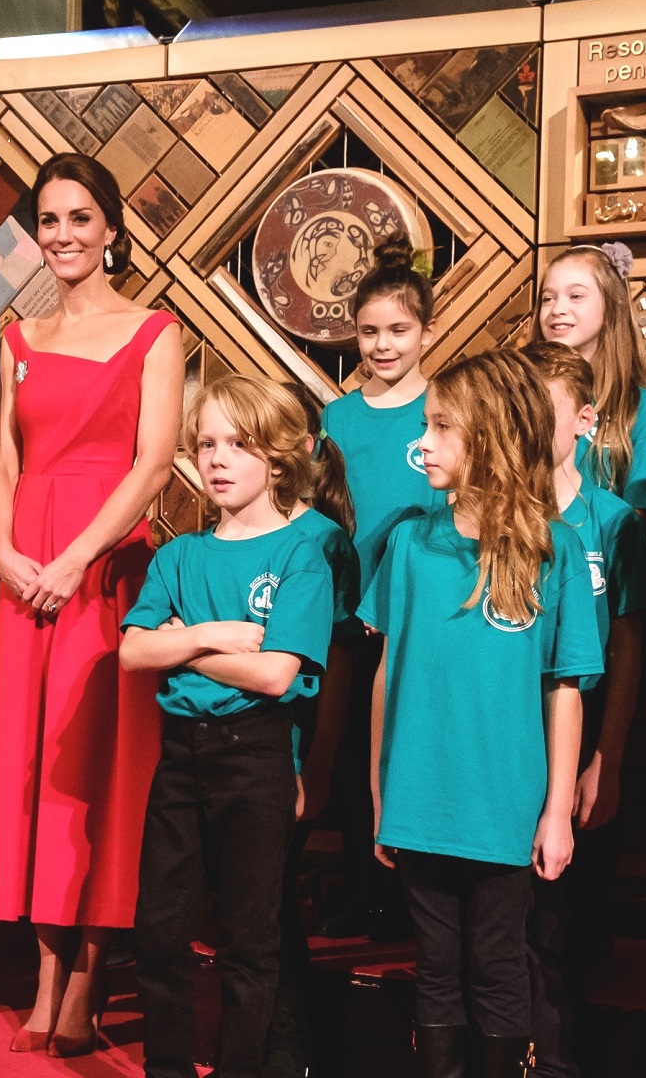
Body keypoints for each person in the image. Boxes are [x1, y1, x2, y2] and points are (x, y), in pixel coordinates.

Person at [0, 152, 184, 1057]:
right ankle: (42, 979)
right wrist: (3, 552)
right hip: (20, 578)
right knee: (33, 772)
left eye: (80, 218)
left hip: (104, 573)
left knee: (95, 776)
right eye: (49, 220)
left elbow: (153, 463)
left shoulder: (157, 332)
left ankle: (85, 980)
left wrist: (76, 560)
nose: (64, 235)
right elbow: (0, 463)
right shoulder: (17, 337)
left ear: (111, 229)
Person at [365, 349, 601, 1078]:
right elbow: (386, 671)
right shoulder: (407, 541)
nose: (423, 443)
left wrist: (556, 810)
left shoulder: (551, 549)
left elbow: (565, 687)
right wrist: (380, 790)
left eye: (441, 427)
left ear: (493, 436)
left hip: (503, 804)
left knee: (498, 964)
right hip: (418, 798)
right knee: (433, 965)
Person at [121, 374, 334, 1078]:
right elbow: (131, 651)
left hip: (257, 758)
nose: (215, 459)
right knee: (159, 930)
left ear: (275, 457)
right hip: (181, 758)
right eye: (206, 444)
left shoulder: (302, 550)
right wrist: (215, 636)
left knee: (248, 938)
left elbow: (276, 675)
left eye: (236, 445)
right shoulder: (180, 555)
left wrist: (182, 643)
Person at [521, 342, 646, 1078]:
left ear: (584, 419)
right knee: (512, 924)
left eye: (541, 413)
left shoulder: (613, 522)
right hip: (513, 734)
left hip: (584, 730)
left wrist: (604, 757)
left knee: (570, 930)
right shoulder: (492, 515)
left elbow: (628, 648)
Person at [317, 232, 442, 939]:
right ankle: (361, 887)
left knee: (406, 746)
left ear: (425, 331)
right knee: (342, 750)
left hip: (417, 615)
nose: (383, 345)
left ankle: (410, 894)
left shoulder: (443, 409)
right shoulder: (336, 418)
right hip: (347, 610)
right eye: (369, 332)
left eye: (397, 330)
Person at [267, 383, 360, 1078]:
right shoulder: (212, 538)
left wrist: (319, 767)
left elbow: (337, 669)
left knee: (270, 907)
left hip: (291, 751)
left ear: (304, 445)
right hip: (222, 753)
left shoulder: (326, 543)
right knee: (248, 909)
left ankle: (299, 1050)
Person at [532, 243, 646, 515]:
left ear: (612, 305)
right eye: (547, 298)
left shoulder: (642, 408)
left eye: (576, 296)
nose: (557, 309)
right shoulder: (517, 395)